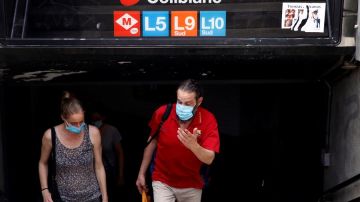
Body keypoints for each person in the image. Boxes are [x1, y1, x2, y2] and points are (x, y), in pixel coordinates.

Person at [136, 79, 220, 202]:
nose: (182, 107)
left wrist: (194, 146)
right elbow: (151, 143)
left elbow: (209, 158)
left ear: (199, 102)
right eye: (179, 102)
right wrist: (141, 173)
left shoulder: (208, 120)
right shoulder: (163, 113)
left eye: (188, 104)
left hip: (192, 184)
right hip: (162, 180)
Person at [38, 91, 108, 202]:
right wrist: (44, 190)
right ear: (63, 117)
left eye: (81, 121)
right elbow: (42, 163)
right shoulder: (50, 136)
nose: (79, 126)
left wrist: (104, 197)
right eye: (74, 123)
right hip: (62, 198)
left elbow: (99, 166)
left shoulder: (93, 133)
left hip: (92, 197)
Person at [90, 110, 125, 202]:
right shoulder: (87, 131)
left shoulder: (112, 131)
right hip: (91, 173)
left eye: (97, 119)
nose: (95, 122)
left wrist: (120, 175)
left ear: (103, 118)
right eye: (93, 119)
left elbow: (120, 153)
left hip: (108, 172)